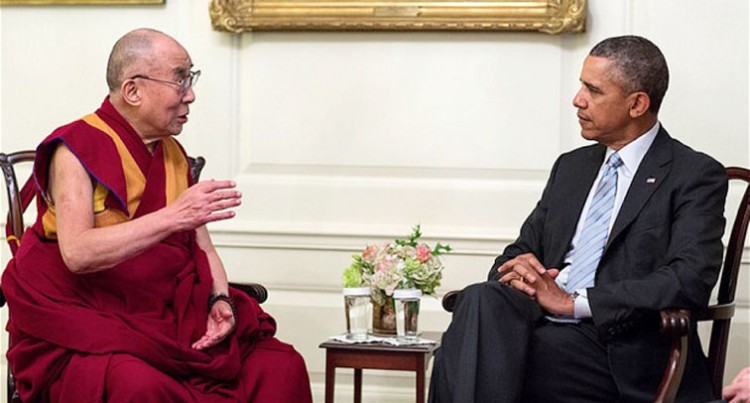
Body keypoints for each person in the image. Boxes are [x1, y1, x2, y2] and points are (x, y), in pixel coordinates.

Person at [1, 28, 313, 402]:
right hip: (87, 323)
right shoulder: (76, 149)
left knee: (281, 365)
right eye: (180, 78)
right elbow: (78, 253)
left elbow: (204, 250)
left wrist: (219, 301)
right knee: (137, 385)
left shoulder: (172, 155)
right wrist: (174, 216)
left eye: (190, 77)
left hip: (160, 316)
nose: (191, 94)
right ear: (133, 90)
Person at [429, 35, 728, 402]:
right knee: (479, 300)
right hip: (535, 321)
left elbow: (690, 278)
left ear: (636, 104)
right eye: (580, 85)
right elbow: (516, 254)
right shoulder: (571, 167)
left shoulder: (693, 174)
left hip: (616, 345)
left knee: (471, 356)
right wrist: (518, 273)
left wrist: (575, 302)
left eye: (593, 90)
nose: (577, 99)